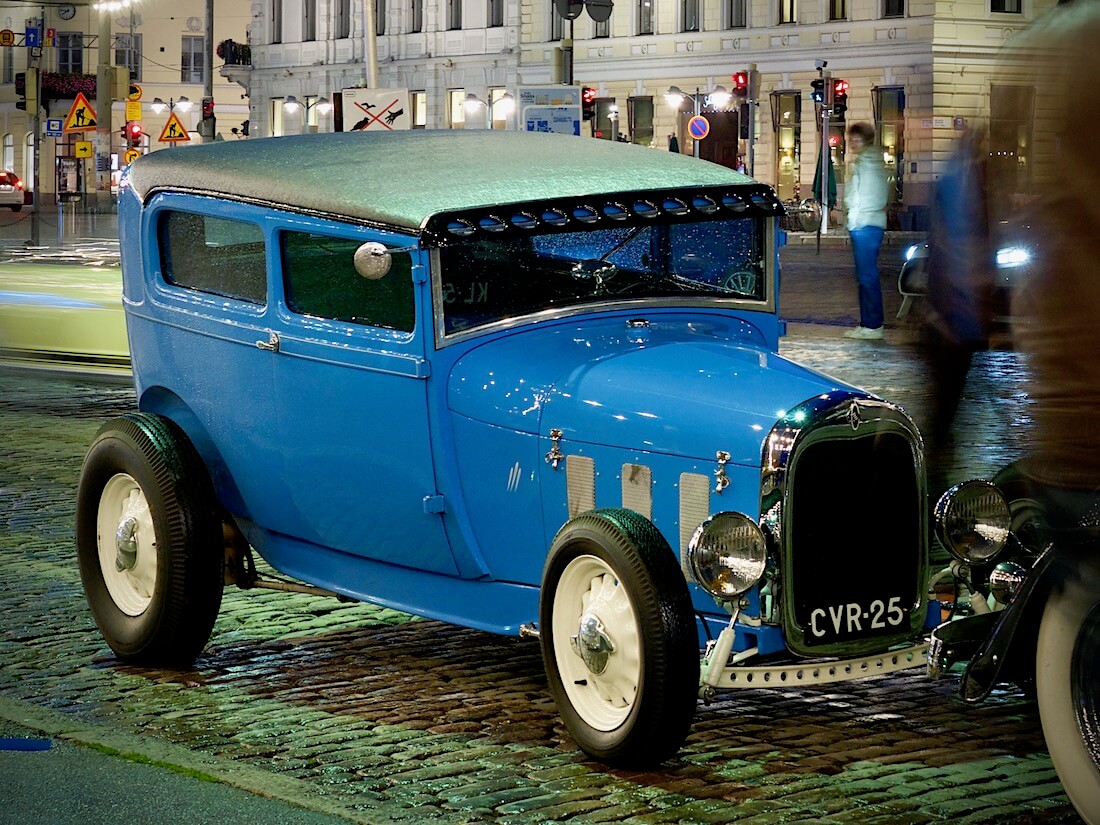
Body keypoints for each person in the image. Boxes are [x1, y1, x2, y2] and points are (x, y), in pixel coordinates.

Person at [842, 122, 889, 340]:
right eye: (850, 139)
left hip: (865, 224)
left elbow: (867, 195)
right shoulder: (869, 161)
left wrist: (856, 218)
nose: (852, 143)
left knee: (867, 276)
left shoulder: (867, 163)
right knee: (864, 276)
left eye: (856, 139)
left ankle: (872, 325)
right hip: (867, 222)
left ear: (865, 140)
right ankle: (868, 323)